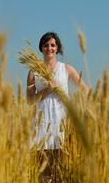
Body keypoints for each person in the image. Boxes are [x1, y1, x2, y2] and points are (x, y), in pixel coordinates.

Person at [26, 32, 89, 182]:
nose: (49, 48)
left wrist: (76, 107)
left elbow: (86, 90)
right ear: (41, 48)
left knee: (62, 168)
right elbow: (29, 100)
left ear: (57, 48)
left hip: (62, 121)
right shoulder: (33, 71)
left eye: (53, 45)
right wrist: (48, 89)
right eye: (46, 45)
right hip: (41, 123)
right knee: (43, 170)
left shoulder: (66, 68)